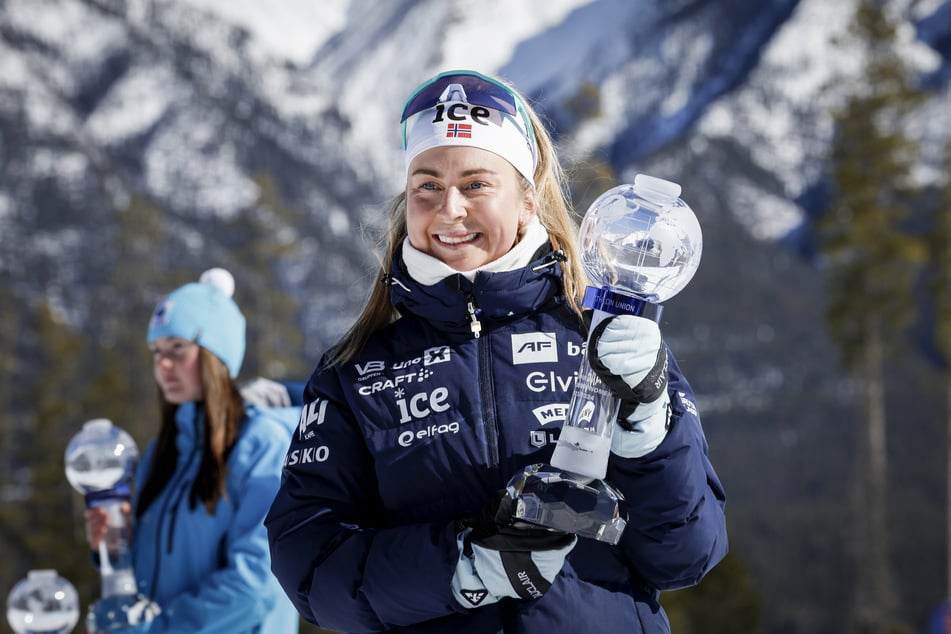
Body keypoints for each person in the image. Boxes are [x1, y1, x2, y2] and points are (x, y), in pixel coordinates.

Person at [265, 69, 728, 633]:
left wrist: (650, 426)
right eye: (427, 186)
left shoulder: (604, 340)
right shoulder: (356, 371)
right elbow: (310, 568)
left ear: (527, 203)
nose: (449, 209)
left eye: (476, 185)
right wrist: (466, 564)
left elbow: (686, 555)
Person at [85, 268, 300, 633]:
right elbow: (152, 575)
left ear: (215, 355)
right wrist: (114, 550)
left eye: (178, 350)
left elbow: (257, 584)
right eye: (157, 352)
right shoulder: (163, 452)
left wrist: (155, 630)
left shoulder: (262, 444)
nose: (163, 365)